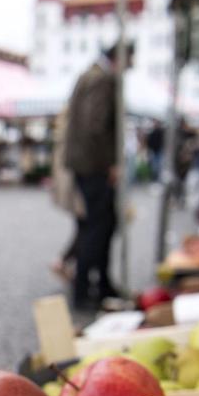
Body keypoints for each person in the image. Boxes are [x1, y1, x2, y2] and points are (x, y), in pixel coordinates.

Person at [64, 41, 132, 308]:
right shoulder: (103, 79)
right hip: (95, 166)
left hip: (86, 164)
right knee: (98, 228)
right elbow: (96, 124)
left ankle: (99, 284)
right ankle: (86, 289)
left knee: (98, 225)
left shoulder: (89, 75)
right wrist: (111, 164)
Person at [49, 106, 83, 281]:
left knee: (82, 228)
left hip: (71, 187)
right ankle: (63, 261)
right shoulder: (72, 135)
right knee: (84, 228)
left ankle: (65, 262)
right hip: (77, 188)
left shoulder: (64, 131)